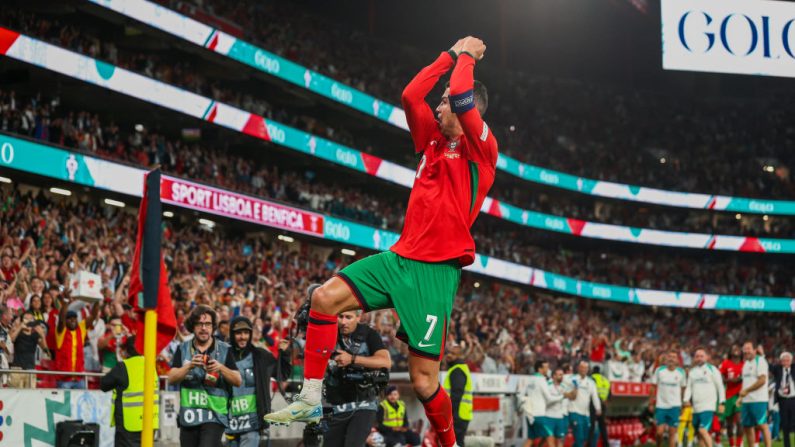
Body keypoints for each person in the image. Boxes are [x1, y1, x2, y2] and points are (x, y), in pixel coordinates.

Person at [265, 35, 498, 447]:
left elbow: (462, 92)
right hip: (399, 258)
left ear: (470, 113)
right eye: (441, 100)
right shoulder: (431, 140)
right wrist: (447, 55)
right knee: (322, 299)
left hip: (435, 273)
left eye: (445, 101)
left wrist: (467, 56)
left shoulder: (481, 149)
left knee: (425, 383)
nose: (439, 104)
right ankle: (309, 398)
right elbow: (411, 94)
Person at [167, 305, 242, 447]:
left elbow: (238, 380)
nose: (203, 328)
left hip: (215, 416)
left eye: (207, 324)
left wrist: (221, 368)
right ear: (193, 326)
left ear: (213, 327)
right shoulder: (182, 349)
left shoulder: (225, 349)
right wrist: (189, 366)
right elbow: (171, 378)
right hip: (189, 416)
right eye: (199, 324)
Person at [321, 310, 392, 447]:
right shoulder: (329, 333)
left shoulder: (369, 334)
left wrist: (352, 359)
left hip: (364, 403)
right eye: (340, 317)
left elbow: (385, 362)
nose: (343, 322)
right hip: (334, 405)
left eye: (348, 317)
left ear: (359, 317)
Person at [225, 316, 292, 447]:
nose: (243, 336)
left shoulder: (261, 356)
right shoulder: (223, 357)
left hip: (253, 423)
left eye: (246, 332)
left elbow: (282, 374)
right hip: (230, 423)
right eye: (238, 333)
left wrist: (285, 354)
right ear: (232, 334)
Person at [99, 336, 158, 447]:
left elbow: (104, 384)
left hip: (129, 425)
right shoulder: (151, 365)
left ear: (126, 351)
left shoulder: (124, 366)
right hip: (150, 423)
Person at [55, 293, 100, 389]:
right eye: (69, 318)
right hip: (64, 381)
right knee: (65, 404)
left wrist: (97, 300)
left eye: (74, 318)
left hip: (79, 380)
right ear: (65, 321)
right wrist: (66, 302)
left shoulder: (81, 328)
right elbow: (61, 319)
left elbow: (93, 315)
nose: (72, 320)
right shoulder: (61, 332)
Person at [683, 348, 725, 447]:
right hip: (696, 408)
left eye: (702, 356)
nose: (699, 358)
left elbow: (720, 386)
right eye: (697, 356)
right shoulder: (692, 372)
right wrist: (685, 400)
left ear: (706, 357)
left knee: (703, 430)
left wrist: (722, 402)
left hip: (708, 406)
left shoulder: (713, 369)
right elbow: (689, 387)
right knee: (699, 435)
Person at [520, 360, 562, 447]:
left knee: (530, 439)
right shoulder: (541, 380)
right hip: (539, 415)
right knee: (550, 437)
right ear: (540, 369)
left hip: (530, 414)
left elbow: (522, 394)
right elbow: (549, 399)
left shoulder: (530, 379)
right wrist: (562, 397)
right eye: (546, 367)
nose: (548, 369)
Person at [650, 351, 686, 447]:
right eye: (669, 356)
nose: (671, 359)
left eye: (674, 357)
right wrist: (651, 403)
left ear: (677, 360)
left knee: (672, 434)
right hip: (661, 406)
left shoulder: (681, 372)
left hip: (675, 406)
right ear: (666, 359)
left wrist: (683, 404)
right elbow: (653, 387)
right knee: (659, 433)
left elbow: (683, 389)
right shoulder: (659, 370)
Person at [739, 342, 772, 447]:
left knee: (762, 425)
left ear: (754, 350)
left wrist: (747, 391)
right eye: (744, 349)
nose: (746, 351)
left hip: (759, 399)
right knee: (747, 426)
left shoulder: (760, 361)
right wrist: (741, 397)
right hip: (746, 401)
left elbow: (762, 380)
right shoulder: (745, 364)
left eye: (748, 348)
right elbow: (745, 383)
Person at [443, 345, 473, 446]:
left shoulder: (457, 370)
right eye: (448, 353)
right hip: (461, 413)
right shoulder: (458, 368)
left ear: (459, 356)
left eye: (452, 353)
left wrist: (451, 415)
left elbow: (456, 395)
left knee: (455, 443)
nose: (449, 355)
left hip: (457, 414)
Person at [569, 361, 601, 447]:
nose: (584, 369)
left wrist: (598, 408)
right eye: (582, 367)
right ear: (578, 368)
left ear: (588, 369)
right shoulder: (572, 379)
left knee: (584, 438)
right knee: (579, 438)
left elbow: (595, 396)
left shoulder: (591, 382)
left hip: (586, 414)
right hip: (574, 412)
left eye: (585, 368)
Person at [720, 344, 745, 447]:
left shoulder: (745, 364)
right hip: (728, 396)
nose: (736, 350)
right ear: (730, 352)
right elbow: (720, 377)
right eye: (733, 348)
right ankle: (732, 444)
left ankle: (738, 445)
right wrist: (728, 380)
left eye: (738, 348)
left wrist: (740, 379)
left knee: (740, 422)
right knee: (729, 424)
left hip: (740, 396)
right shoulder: (726, 363)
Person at [547, 368, 575, 447]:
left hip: (562, 416)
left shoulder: (564, 386)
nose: (562, 376)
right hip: (549, 415)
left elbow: (572, 397)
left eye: (562, 375)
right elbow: (548, 400)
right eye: (559, 375)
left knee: (561, 439)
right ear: (554, 376)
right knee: (549, 439)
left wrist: (576, 388)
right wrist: (563, 396)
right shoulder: (547, 385)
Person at [771, 352, 794, 447]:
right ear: (781, 362)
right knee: (785, 425)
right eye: (784, 360)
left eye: (788, 360)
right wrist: (762, 355)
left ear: (791, 361)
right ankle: (787, 445)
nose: (786, 362)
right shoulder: (778, 370)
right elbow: (769, 366)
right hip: (782, 401)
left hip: (793, 400)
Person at [590, 365, 610, 447]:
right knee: (603, 427)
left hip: (593, 405)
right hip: (603, 405)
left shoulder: (591, 378)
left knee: (592, 426)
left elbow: (592, 393)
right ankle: (606, 445)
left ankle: (589, 445)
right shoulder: (605, 380)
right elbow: (610, 394)